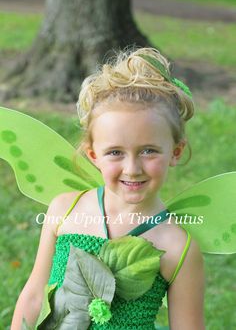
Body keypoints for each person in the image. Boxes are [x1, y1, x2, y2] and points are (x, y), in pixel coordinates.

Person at [11, 47, 205, 329]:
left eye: (149, 150)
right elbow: (33, 296)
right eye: (115, 152)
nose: (132, 168)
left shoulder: (177, 247)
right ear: (93, 155)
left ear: (175, 152)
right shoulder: (65, 210)